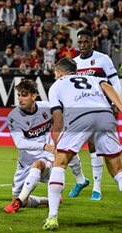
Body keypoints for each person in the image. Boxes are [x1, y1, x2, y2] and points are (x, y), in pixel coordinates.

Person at [43, 57, 122, 231]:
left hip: (79, 117)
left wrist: (57, 145)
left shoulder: (56, 85)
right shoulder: (93, 78)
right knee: (118, 170)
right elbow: (108, 87)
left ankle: (52, 217)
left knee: (59, 164)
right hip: (104, 115)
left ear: (59, 72)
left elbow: (58, 120)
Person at [69, 29, 121, 201]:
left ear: (92, 42)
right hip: (83, 111)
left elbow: (114, 82)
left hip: (103, 108)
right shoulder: (74, 63)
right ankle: (88, 183)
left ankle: (97, 188)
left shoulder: (103, 59)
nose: (82, 45)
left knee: (104, 148)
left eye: (85, 41)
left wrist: (115, 103)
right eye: (80, 42)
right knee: (88, 146)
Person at [4, 80, 55, 214]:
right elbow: (20, 143)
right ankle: (49, 200)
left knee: (37, 165)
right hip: (25, 161)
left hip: (47, 157)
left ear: (34, 96)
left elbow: (64, 117)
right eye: (19, 95)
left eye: (24, 95)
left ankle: (17, 204)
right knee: (24, 200)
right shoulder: (14, 116)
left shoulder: (47, 108)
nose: (20, 99)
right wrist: (44, 146)